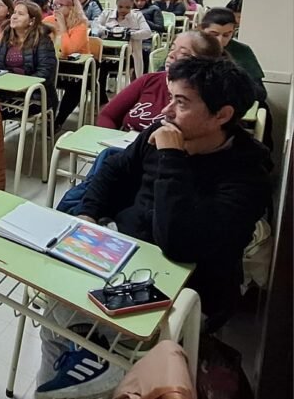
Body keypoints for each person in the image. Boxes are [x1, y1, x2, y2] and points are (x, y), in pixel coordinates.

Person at [35, 58, 271, 397]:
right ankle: (75, 369)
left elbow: (179, 243)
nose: (167, 111)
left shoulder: (246, 177)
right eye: (170, 97)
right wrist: (88, 214)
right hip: (123, 258)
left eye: (182, 102)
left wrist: (173, 158)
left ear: (222, 115)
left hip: (186, 287)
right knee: (54, 313)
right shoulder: (158, 133)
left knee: (99, 339)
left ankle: (93, 368)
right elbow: (113, 171)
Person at [97, 30, 222, 131]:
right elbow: (107, 115)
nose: (172, 55)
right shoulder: (149, 80)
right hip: (125, 151)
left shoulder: (203, 96)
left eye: (184, 54)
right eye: (172, 48)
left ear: (204, 63)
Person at [0, 1, 58, 112]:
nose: (14, 16)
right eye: (14, 13)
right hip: (6, 91)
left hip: (34, 95)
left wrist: (20, 86)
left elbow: (45, 73)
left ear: (32, 21)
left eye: (20, 14)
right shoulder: (5, 37)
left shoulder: (43, 40)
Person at [43, 0, 89, 128]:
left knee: (77, 86)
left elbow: (69, 50)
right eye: (54, 4)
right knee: (44, 78)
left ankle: (58, 120)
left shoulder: (80, 25)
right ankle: (47, 115)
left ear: (72, 7)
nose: (55, 8)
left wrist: (63, 27)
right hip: (55, 63)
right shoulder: (48, 21)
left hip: (76, 67)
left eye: (60, 5)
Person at [200, 7, 266, 102]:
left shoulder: (242, 51)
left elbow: (260, 93)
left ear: (233, 33)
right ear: (202, 30)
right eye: (214, 34)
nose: (220, 40)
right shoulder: (192, 47)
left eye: (226, 35)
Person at [92, 0, 152, 89]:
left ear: (132, 5)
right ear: (116, 3)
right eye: (120, 7)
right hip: (106, 54)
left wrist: (128, 33)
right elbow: (95, 25)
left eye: (128, 7)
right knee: (99, 68)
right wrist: (108, 31)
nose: (123, 10)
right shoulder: (107, 13)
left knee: (140, 61)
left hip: (129, 56)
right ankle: (102, 98)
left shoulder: (137, 15)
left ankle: (135, 91)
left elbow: (147, 32)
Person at [134, 0, 165, 68]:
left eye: (142, 0)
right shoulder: (131, 9)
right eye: (136, 0)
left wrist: (144, 21)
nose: (139, 3)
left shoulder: (154, 9)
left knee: (143, 50)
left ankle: (142, 74)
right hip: (133, 37)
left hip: (147, 39)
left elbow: (160, 28)